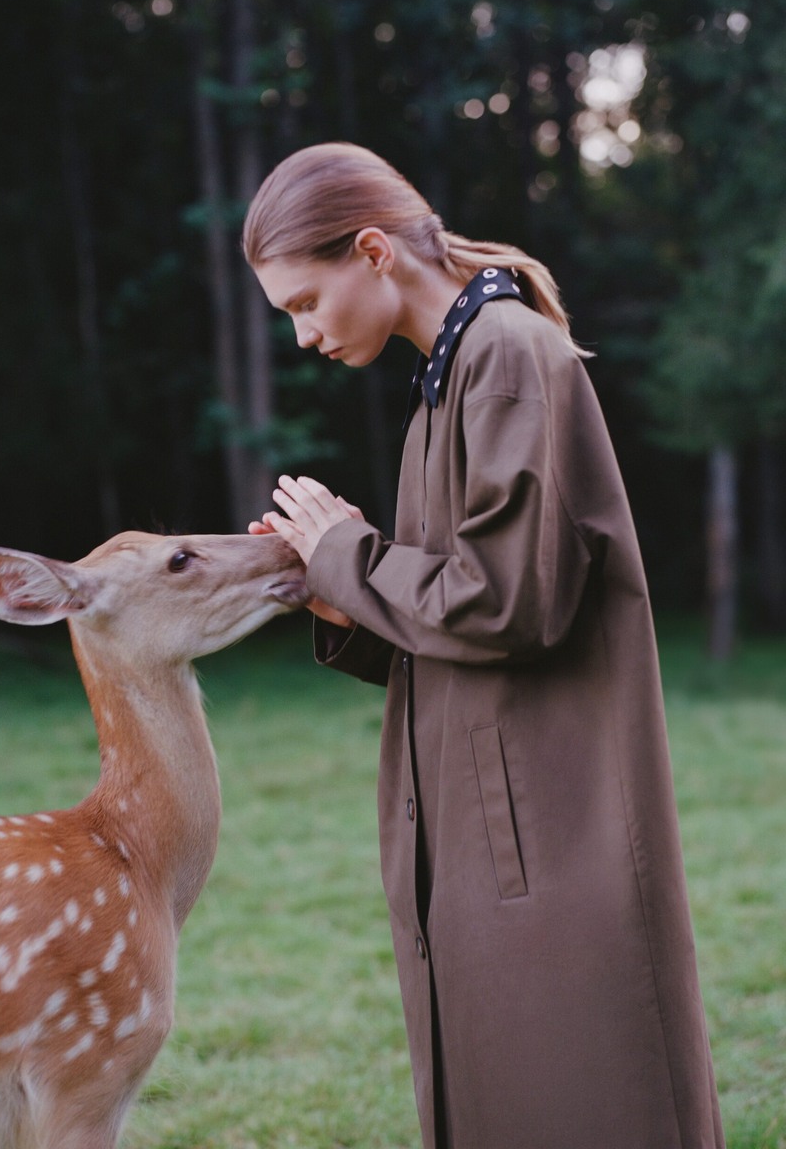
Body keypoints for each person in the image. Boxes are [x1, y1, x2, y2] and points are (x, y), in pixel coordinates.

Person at [242, 142, 725, 1149]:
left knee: (590, 1100)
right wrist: (337, 595)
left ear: (372, 251)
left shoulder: (505, 356)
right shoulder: (452, 376)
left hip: (552, 830)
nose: (302, 335)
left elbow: (509, 604)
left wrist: (349, 553)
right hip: (497, 828)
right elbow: (464, 617)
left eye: (304, 301)